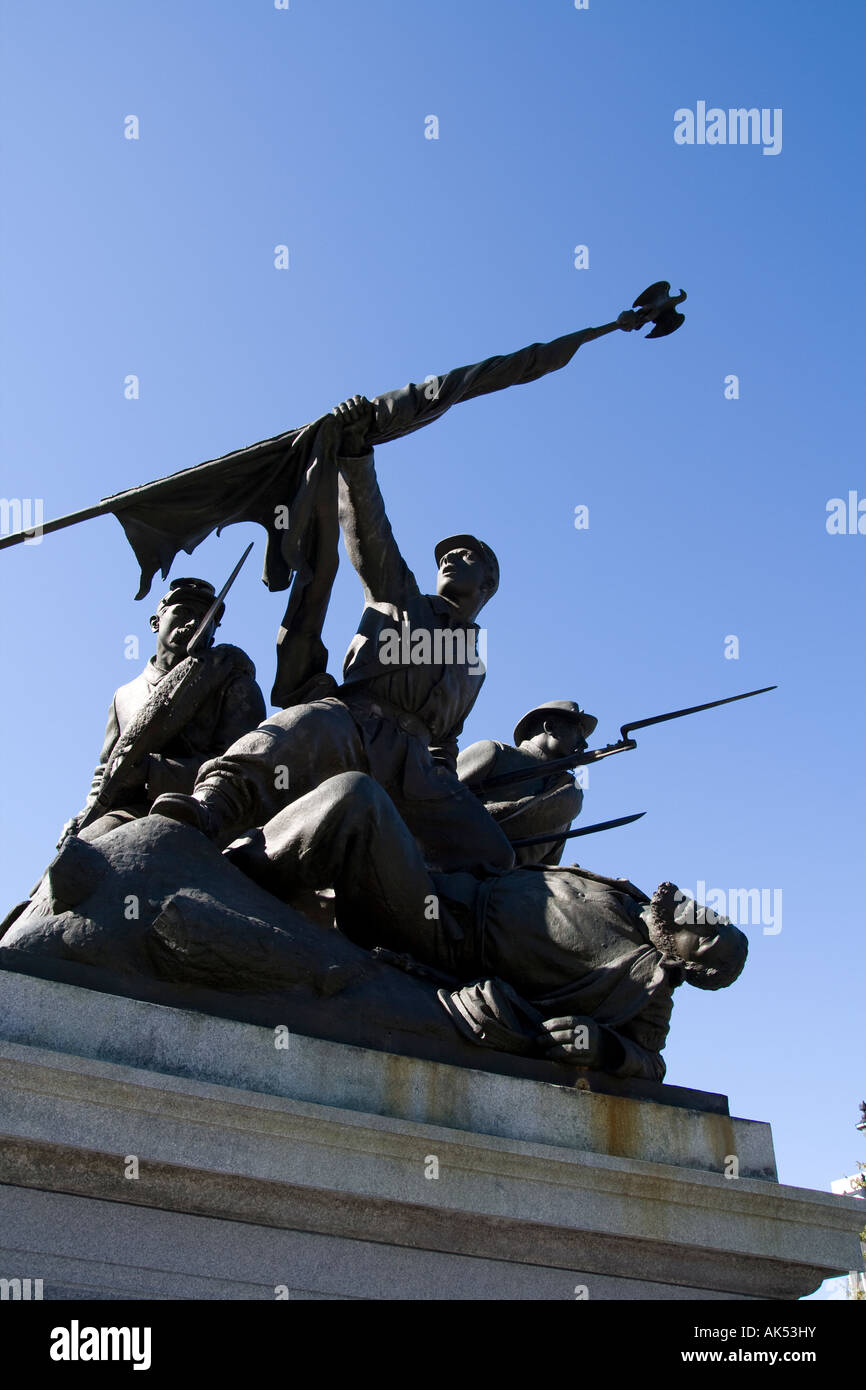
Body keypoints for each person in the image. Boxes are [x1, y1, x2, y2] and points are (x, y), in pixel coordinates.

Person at [150, 396, 515, 874]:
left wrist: (443, 780)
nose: (449, 558)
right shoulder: (401, 595)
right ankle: (211, 808)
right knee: (286, 738)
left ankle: (438, 922)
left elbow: (447, 738)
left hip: (416, 768)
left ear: (487, 583)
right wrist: (356, 457)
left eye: (467, 556)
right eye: (447, 554)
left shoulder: (475, 663)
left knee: (494, 854)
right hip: (353, 722)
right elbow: (369, 531)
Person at [225, 771, 749, 1082]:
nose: (706, 918)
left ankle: (232, 870)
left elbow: (651, 1062)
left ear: (686, 962)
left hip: (441, 937)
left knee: (359, 799)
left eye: (708, 936)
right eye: (716, 917)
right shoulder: (628, 893)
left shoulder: (649, 989)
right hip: (452, 881)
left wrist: (605, 1047)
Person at [64, 577, 266, 843]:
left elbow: (242, 768)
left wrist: (152, 772)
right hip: (124, 811)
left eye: (206, 619)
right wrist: (84, 814)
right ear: (155, 622)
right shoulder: (124, 696)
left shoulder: (232, 683)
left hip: (198, 812)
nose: (194, 623)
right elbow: (106, 769)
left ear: (214, 633)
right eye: (183, 612)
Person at [458, 699, 597, 865]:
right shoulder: (495, 753)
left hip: (515, 885)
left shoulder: (566, 794)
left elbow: (548, 865)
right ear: (550, 727)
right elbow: (432, 796)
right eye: (578, 732)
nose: (584, 743)